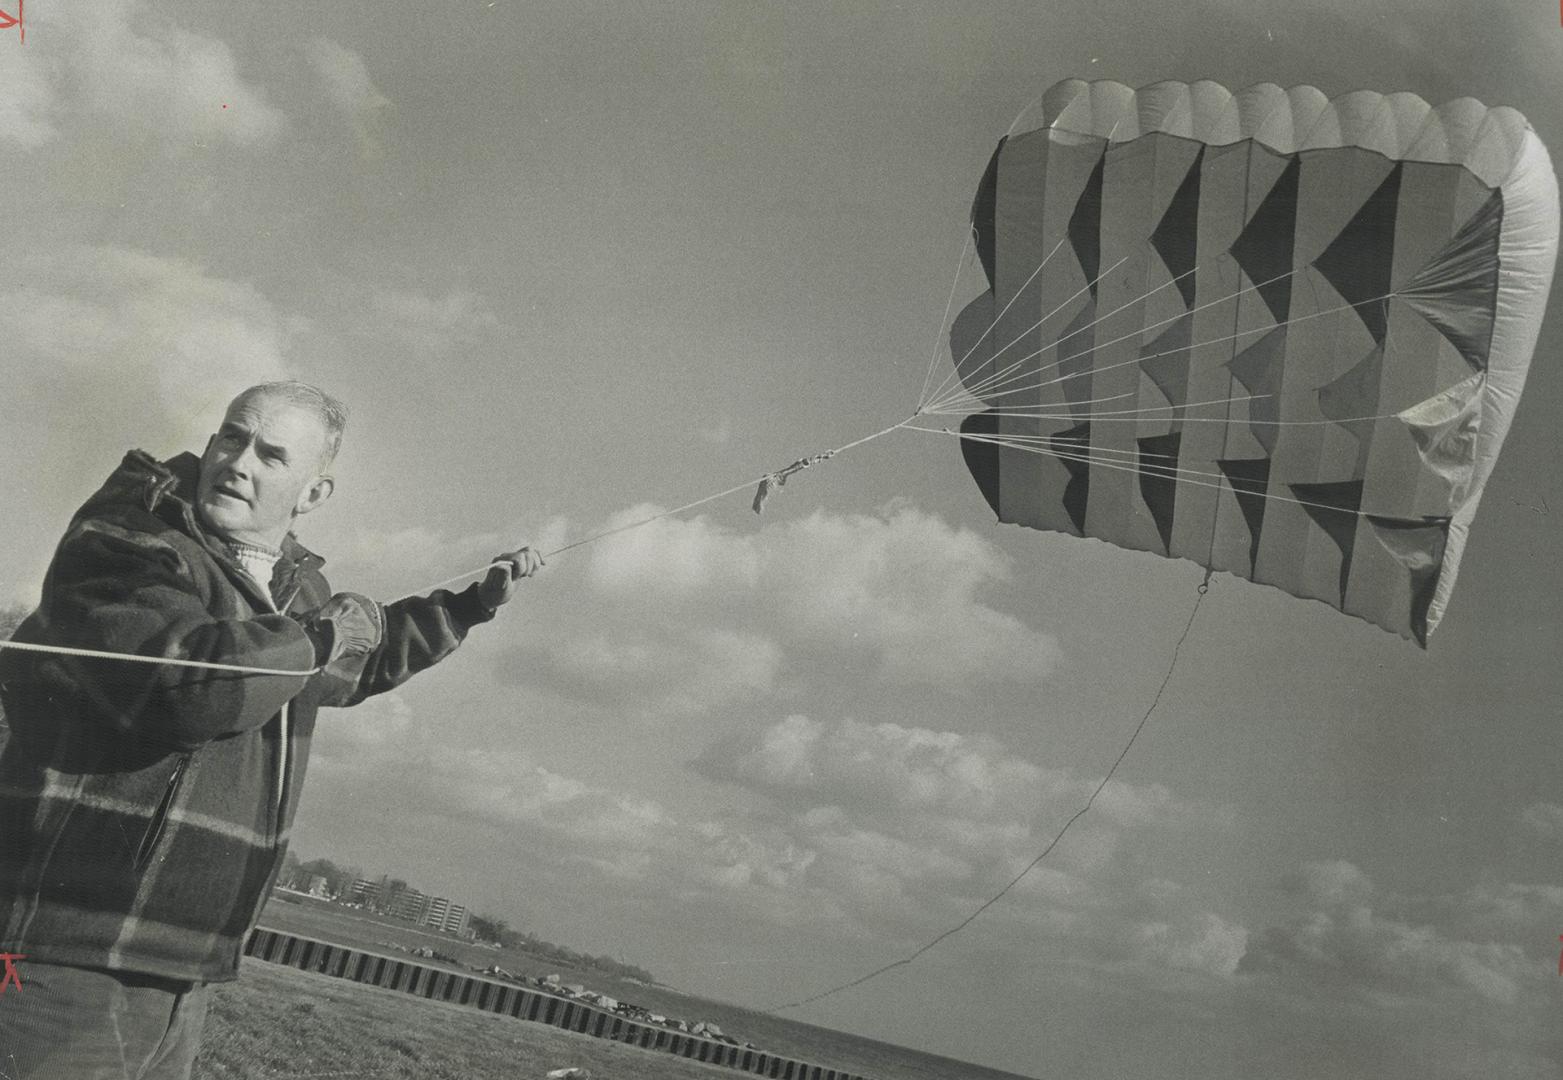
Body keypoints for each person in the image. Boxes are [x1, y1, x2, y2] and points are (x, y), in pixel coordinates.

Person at [0, 381, 541, 1079]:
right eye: (232, 436)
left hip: (184, 965)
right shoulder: (127, 540)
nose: (239, 461)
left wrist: (467, 607)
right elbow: (189, 688)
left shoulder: (293, 594)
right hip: (59, 949)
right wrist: (319, 637)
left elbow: (353, 665)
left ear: (313, 494)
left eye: (271, 454)